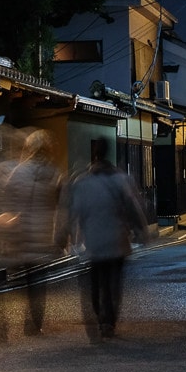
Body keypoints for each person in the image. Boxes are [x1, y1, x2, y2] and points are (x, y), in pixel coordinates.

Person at [61, 139, 148, 343]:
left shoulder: (82, 183)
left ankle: (100, 317)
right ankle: (109, 321)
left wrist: (63, 235)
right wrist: (141, 229)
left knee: (97, 282)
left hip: (94, 241)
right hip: (117, 239)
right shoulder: (120, 180)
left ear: (94, 156)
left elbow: (72, 212)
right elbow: (132, 207)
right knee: (113, 283)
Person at [0, 129, 63, 336]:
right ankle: (33, 324)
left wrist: (7, 235)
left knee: (23, 280)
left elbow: (8, 200)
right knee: (38, 283)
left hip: (22, 233)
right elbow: (60, 206)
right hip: (43, 236)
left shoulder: (18, 172)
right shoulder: (54, 174)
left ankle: (24, 321)